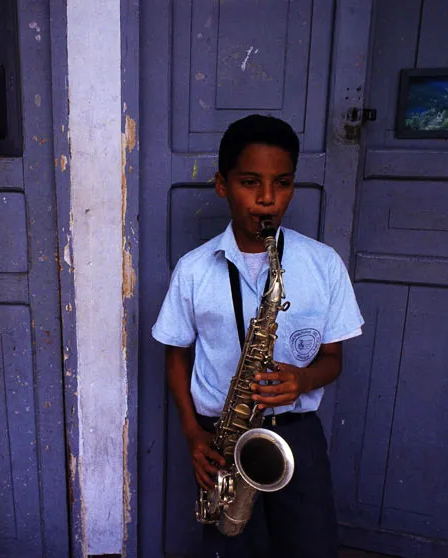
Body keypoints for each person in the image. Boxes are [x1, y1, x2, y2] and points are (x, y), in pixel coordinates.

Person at [151, 114, 364, 557]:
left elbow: (333, 359)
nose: (267, 200)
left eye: (282, 183)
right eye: (250, 182)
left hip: (296, 437)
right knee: (231, 547)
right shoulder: (193, 269)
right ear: (222, 185)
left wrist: (302, 381)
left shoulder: (323, 265)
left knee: (310, 547)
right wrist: (193, 434)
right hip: (222, 439)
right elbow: (175, 357)